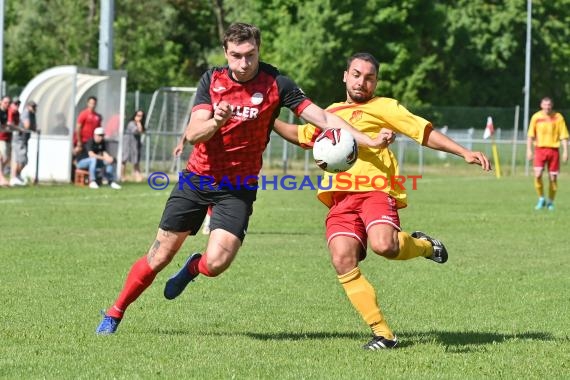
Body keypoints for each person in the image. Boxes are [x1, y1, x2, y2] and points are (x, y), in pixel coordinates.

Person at [95, 23, 387, 335]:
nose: (244, 64)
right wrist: (217, 120)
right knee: (160, 255)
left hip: (238, 188)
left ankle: (194, 266)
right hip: (197, 179)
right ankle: (115, 312)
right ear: (226, 53)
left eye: (250, 55)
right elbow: (194, 134)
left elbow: (325, 117)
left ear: (259, 50)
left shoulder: (277, 83)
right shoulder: (212, 80)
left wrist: (368, 141)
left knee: (217, 263)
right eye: (236, 56)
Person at [273, 52, 491, 350]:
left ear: (376, 81)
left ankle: (425, 245)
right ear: (345, 75)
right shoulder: (330, 112)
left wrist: (463, 152)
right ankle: (383, 334)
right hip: (339, 198)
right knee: (342, 259)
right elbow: (301, 135)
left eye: (369, 77)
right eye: (357, 74)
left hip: (376, 191)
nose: (362, 82)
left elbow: (422, 132)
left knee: (385, 245)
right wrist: (267, 118)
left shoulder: (384, 107)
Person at [526, 97, 569, 211]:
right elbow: (530, 135)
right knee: (538, 174)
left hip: (554, 150)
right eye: (545, 104)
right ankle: (541, 198)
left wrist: (565, 151)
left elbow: (564, 136)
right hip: (539, 149)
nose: (547, 107)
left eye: (549, 104)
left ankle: (550, 202)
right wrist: (529, 150)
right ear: (541, 105)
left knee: (553, 178)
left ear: (552, 105)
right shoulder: (536, 117)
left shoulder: (558, 117)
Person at [10, 100, 37, 186]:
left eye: (35, 107)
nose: (34, 108)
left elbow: (34, 128)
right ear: (28, 106)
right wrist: (32, 125)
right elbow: (27, 126)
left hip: (25, 139)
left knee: (23, 160)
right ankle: (14, 177)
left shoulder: (32, 114)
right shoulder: (26, 113)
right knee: (21, 159)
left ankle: (17, 177)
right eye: (32, 106)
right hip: (19, 139)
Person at [122, 109, 145, 182]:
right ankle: (122, 176)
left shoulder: (140, 124)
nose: (140, 117)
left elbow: (142, 131)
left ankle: (137, 175)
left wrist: (139, 123)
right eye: (138, 115)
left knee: (136, 160)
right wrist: (138, 123)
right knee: (124, 159)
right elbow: (138, 131)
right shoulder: (131, 123)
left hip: (135, 145)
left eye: (141, 116)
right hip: (127, 144)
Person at [0, 96, 13, 187]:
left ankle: (1, 176)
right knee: (1, 157)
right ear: (1, 102)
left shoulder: (8, 112)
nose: (7, 104)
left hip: (7, 137)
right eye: (5, 102)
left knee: (7, 158)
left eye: (8, 102)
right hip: (1, 138)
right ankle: (1, 178)